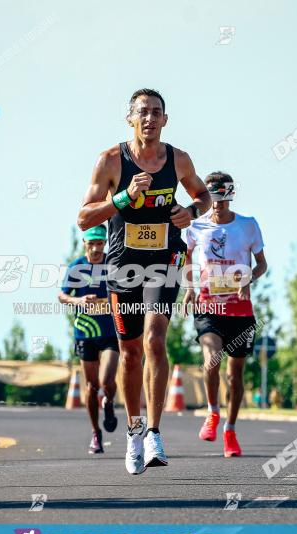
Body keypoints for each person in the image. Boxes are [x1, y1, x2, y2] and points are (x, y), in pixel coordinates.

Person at [77, 88, 210, 474]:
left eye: (156, 112)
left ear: (165, 120)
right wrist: (123, 199)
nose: (149, 118)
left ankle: (154, 432)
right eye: (143, 113)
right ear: (130, 119)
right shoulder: (110, 161)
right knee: (131, 351)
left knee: (155, 338)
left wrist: (191, 211)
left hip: (166, 259)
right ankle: (133, 432)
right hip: (123, 265)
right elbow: (84, 218)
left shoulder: (178, 159)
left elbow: (201, 195)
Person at [182, 171, 268, 457]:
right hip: (209, 306)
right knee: (210, 362)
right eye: (214, 197)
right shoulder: (196, 226)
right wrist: (190, 288)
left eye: (223, 197)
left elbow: (262, 265)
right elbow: (187, 258)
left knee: (236, 373)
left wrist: (248, 280)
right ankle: (212, 412)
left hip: (240, 309)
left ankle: (230, 430)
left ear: (231, 196)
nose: (218, 203)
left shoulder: (247, 225)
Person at [58, 225, 120, 454]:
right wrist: (79, 301)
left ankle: (110, 403)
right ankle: (96, 433)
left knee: (106, 381)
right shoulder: (77, 267)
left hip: (111, 332)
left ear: (105, 243)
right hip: (85, 332)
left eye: (100, 244)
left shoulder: (113, 264)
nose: (95, 249)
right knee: (92, 386)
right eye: (91, 244)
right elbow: (62, 295)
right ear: (84, 243)